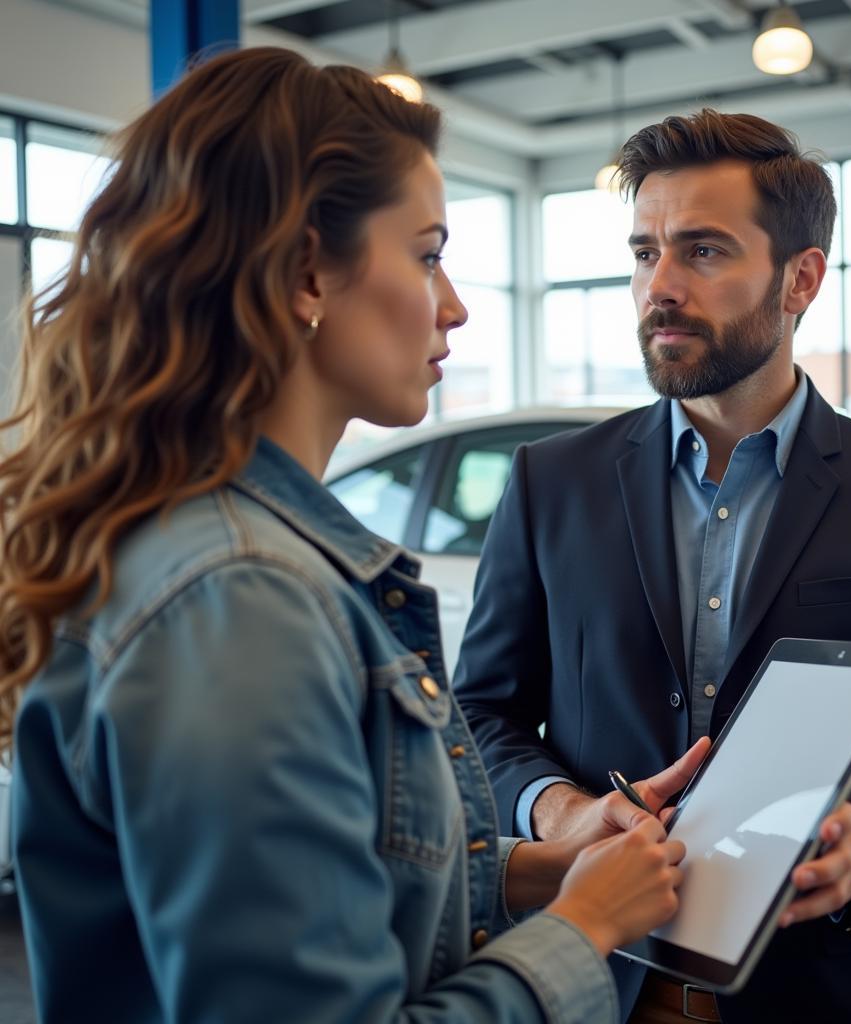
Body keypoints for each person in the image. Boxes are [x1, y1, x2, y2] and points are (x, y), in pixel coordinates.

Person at [0, 47, 709, 1024]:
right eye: (425, 254)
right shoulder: (239, 597)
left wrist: (542, 871)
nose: (454, 304)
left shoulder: (228, 559)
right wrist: (582, 929)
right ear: (304, 273)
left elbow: (341, 865)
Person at [454, 109, 851, 1024]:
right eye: (645, 253)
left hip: (822, 994)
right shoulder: (550, 484)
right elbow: (481, 711)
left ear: (801, 279)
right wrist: (556, 811)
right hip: (594, 986)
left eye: (704, 252)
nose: (659, 288)